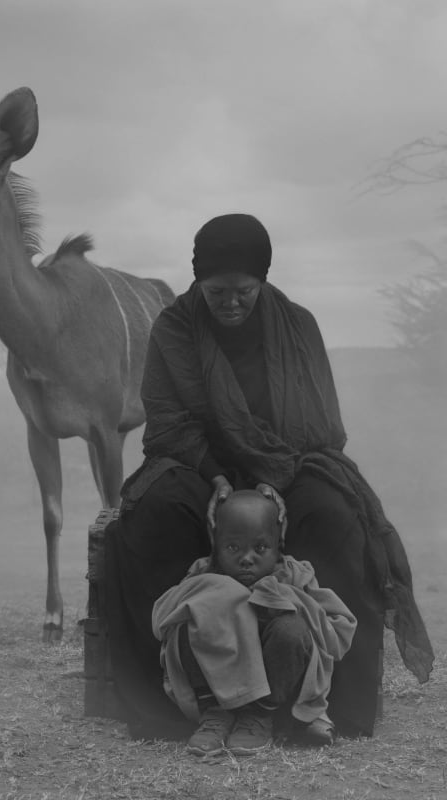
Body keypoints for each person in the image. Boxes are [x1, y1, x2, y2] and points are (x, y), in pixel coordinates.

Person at [105, 212, 434, 741]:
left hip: (290, 461)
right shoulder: (174, 327)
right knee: (158, 511)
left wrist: (273, 486)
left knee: (332, 513)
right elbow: (167, 421)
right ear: (198, 282)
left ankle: (318, 705)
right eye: (217, 292)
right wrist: (216, 478)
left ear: (263, 280)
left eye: (244, 292)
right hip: (198, 461)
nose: (231, 303)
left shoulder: (299, 326)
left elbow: (320, 426)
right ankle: (170, 702)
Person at [152, 490, 357, 756]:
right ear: (215, 543)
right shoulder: (205, 573)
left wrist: (283, 599)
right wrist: (221, 595)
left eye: (260, 548)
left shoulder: (292, 574)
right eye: (233, 548)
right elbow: (163, 617)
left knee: (292, 630)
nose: (246, 558)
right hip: (215, 680)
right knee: (186, 623)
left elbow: (336, 625)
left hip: (272, 683)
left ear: (278, 544)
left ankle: (259, 716)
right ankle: (215, 714)